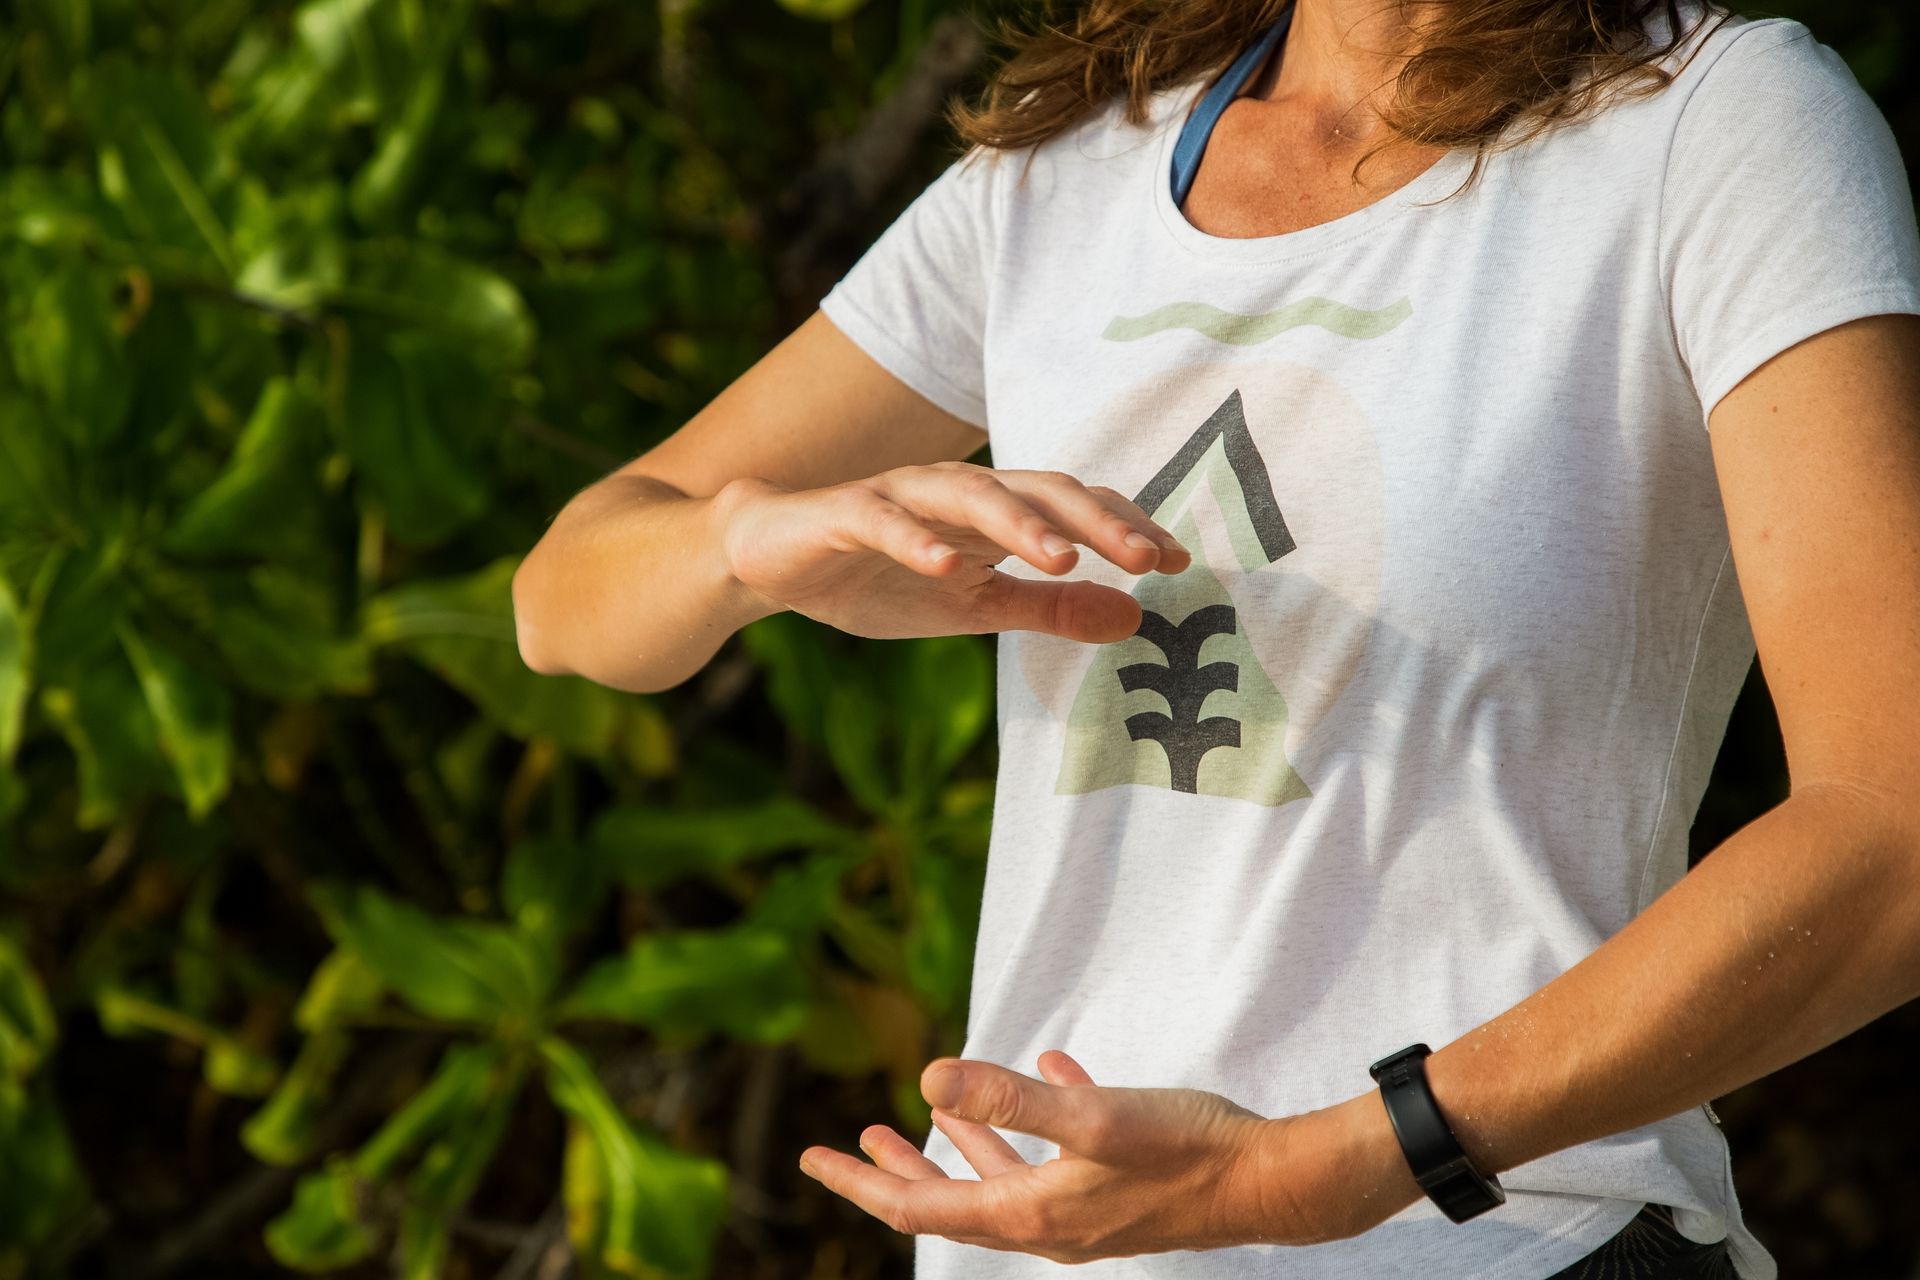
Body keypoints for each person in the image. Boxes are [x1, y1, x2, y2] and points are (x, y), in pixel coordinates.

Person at [510, 0, 1920, 1273]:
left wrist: (1329, 1164)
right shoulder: (1062, 171)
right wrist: (748, 543)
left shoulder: (1721, 124)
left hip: (1512, 1242)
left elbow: (1896, 830)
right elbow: (564, 599)